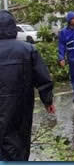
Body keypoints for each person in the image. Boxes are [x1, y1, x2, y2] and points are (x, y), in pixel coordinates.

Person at [0, 10, 55, 161]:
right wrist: (48, 101)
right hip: (21, 106)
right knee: (20, 140)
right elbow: (43, 78)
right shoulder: (28, 49)